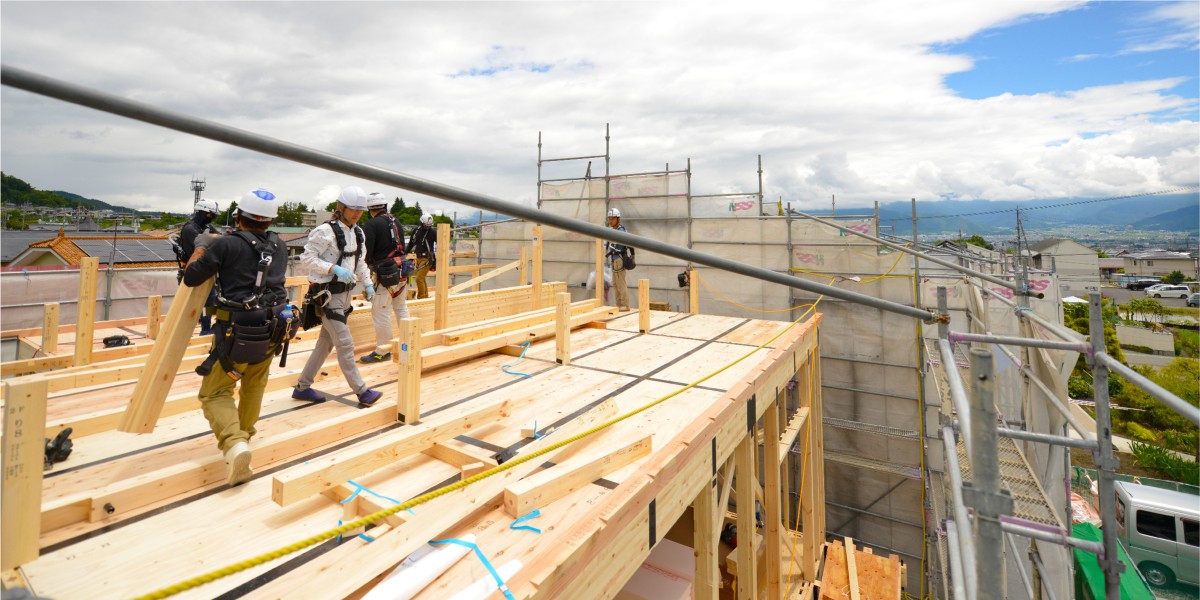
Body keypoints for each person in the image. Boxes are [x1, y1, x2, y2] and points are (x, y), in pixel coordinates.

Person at [183, 188, 292, 485]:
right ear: (269, 221)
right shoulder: (280, 246)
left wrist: (203, 247)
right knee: (254, 384)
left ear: (238, 216)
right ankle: (243, 440)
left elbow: (191, 277)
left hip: (236, 331)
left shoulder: (227, 245)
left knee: (214, 392)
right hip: (271, 328)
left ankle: (234, 443)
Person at [291, 186, 382, 405]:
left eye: (360, 210)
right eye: (353, 210)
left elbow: (360, 263)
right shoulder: (325, 232)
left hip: (345, 297)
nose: (357, 214)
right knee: (345, 343)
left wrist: (368, 285)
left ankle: (302, 387)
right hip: (327, 296)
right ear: (340, 207)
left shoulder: (358, 232)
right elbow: (307, 259)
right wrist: (333, 269)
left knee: (325, 343)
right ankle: (361, 391)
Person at [178, 198, 220, 335]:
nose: (212, 218)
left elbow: (220, 239)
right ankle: (182, 333)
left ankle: (205, 329)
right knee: (189, 305)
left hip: (205, 271)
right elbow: (205, 246)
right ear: (205, 213)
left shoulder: (206, 228)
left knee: (208, 302)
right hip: (192, 271)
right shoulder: (190, 229)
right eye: (211, 214)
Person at [604, 207, 634, 311]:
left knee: (621, 283)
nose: (610, 220)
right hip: (614, 259)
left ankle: (625, 305)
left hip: (619, 259)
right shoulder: (614, 231)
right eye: (609, 218)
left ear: (618, 219)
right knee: (615, 284)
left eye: (612, 218)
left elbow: (618, 246)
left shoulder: (621, 231)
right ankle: (619, 304)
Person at [406, 213, 436, 299]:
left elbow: (442, 241)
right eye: (425, 225)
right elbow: (411, 243)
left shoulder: (433, 232)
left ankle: (421, 297)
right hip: (418, 257)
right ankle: (425, 296)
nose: (427, 227)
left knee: (419, 278)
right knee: (421, 278)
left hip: (427, 258)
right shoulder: (416, 231)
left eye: (429, 225)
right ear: (421, 222)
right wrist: (405, 253)